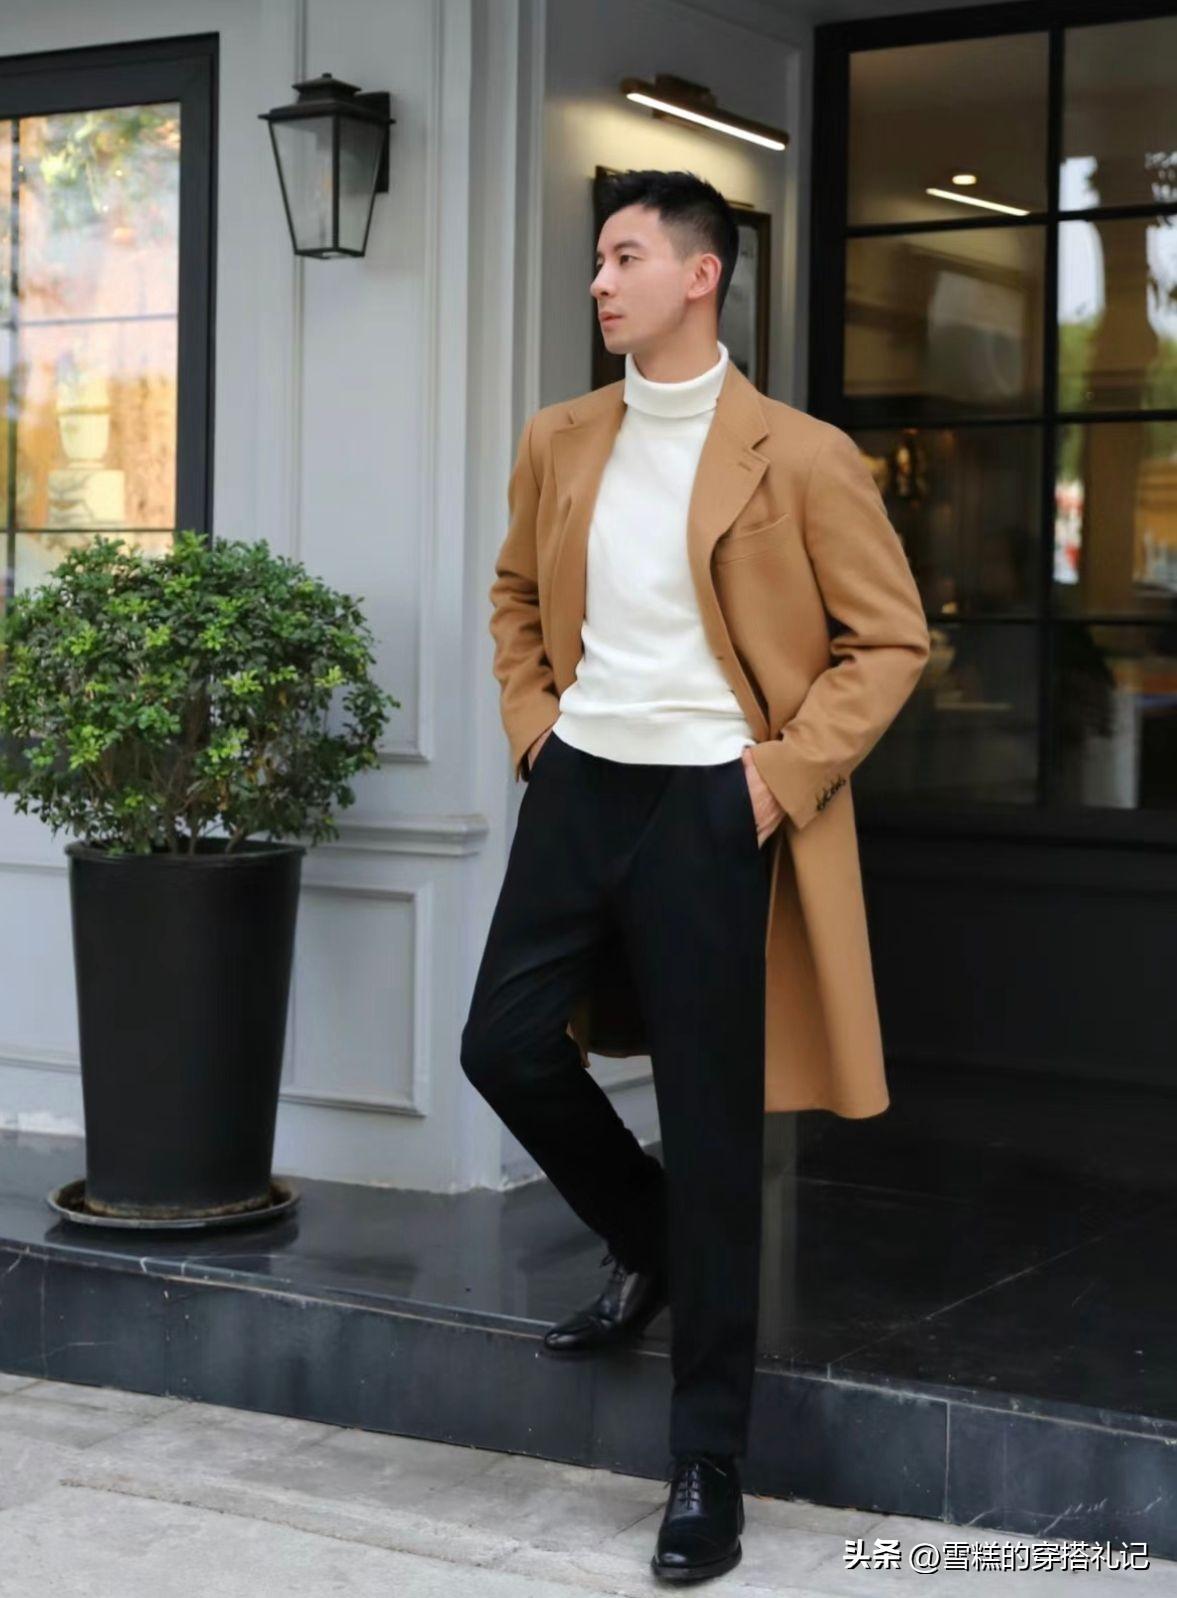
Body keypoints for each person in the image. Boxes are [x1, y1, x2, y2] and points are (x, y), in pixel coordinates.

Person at [461, 168, 929, 1585]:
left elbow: (888, 640)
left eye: (623, 258)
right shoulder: (561, 437)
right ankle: (657, 1241)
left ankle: (706, 1462)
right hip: (580, 785)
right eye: (598, 262)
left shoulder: (801, 455)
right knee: (502, 1046)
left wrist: (774, 779)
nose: (599, 283)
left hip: (715, 806)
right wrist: (536, 734)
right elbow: (516, 597)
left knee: (714, 1127)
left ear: (699, 274)